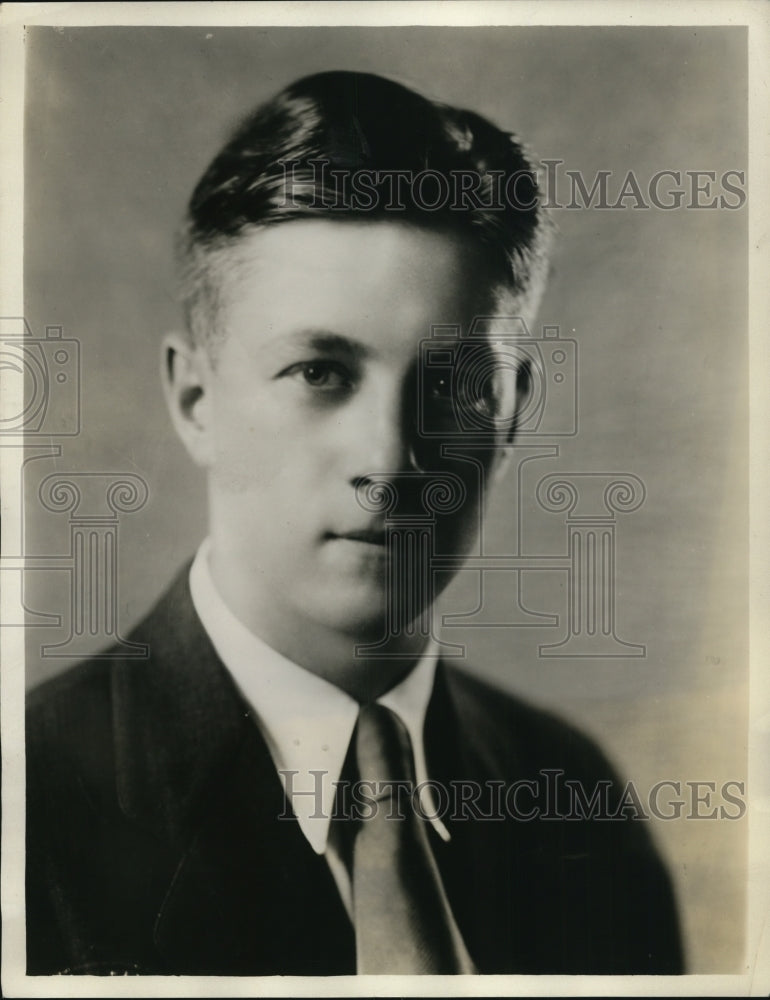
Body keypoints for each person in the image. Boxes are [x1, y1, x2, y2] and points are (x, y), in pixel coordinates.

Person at [26, 70, 683, 976]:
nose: (390, 458)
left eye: (454, 385)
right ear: (194, 398)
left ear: (514, 410)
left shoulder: (576, 802)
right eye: (320, 372)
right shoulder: (29, 809)